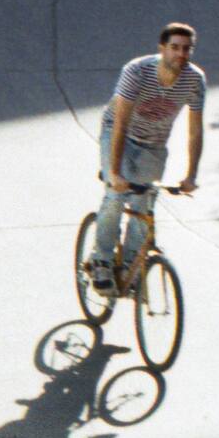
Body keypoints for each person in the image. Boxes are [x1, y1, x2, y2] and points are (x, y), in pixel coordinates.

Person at [89, 23, 205, 296]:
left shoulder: (195, 79)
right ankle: (102, 259)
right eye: (174, 47)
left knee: (145, 202)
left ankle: (131, 264)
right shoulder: (137, 71)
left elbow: (195, 130)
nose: (181, 54)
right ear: (162, 48)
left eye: (186, 49)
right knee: (116, 195)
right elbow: (120, 123)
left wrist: (191, 176)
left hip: (154, 143)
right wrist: (115, 173)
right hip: (119, 134)